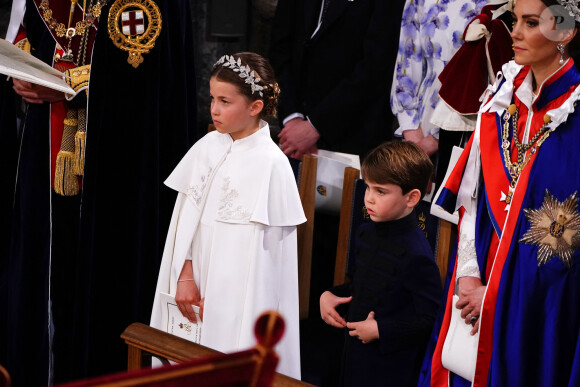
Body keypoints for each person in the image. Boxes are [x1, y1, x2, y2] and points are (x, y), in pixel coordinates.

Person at [1, 0, 197, 385]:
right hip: (47, 148)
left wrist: (70, 85)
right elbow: (25, 29)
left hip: (120, 162)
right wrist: (22, 69)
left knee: (106, 284)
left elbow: (147, 74)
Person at [425, 0, 580, 385]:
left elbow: (566, 245)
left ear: (565, 32)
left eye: (531, 23)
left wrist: (497, 293)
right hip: (476, 280)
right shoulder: (501, 96)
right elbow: (471, 197)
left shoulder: (574, 114)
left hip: (539, 299)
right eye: (515, 20)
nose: (515, 32)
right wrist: (468, 277)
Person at [150, 52, 306, 380]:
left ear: (255, 107)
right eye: (212, 98)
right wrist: (186, 275)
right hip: (192, 282)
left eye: (225, 100)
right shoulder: (208, 146)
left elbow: (264, 268)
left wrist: (224, 306)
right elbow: (185, 224)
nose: (214, 109)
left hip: (236, 302)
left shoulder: (271, 165)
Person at [319, 141, 443, 386]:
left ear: (412, 198)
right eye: (367, 188)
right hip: (354, 354)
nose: (369, 199)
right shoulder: (366, 232)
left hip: (389, 366)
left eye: (381, 191)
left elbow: (429, 319)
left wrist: (381, 331)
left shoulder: (417, 253)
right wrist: (330, 295)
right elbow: (363, 286)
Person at [269, 0, 405, 161]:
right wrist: (292, 118)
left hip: (355, 137)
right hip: (291, 135)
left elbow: (377, 66)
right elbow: (279, 50)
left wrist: (315, 126)